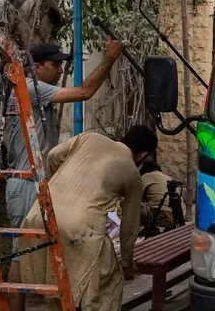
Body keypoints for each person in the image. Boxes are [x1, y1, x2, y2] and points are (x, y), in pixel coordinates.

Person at [5, 38, 122, 311]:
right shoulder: (30, 87)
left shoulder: (31, 91)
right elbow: (84, 92)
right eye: (55, 64)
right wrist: (109, 58)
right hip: (25, 183)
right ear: (36, 66)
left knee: (30, 251)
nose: (60, 70)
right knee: (21, 253)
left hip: (33, 181)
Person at [18, 130, 152, 311]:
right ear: (143, 155)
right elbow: (129, 226)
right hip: (79, 227)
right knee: (109, 279)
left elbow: (52, 155)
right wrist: (127, 264)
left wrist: (57, 188)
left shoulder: (89, 137)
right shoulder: (133, 174)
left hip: (39, 215)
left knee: (56, 281)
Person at [125, 125, 182, 233]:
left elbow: (136, 197)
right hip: (177, 216)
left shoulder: (146, 177)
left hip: (161, 216)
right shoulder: (164, 177)